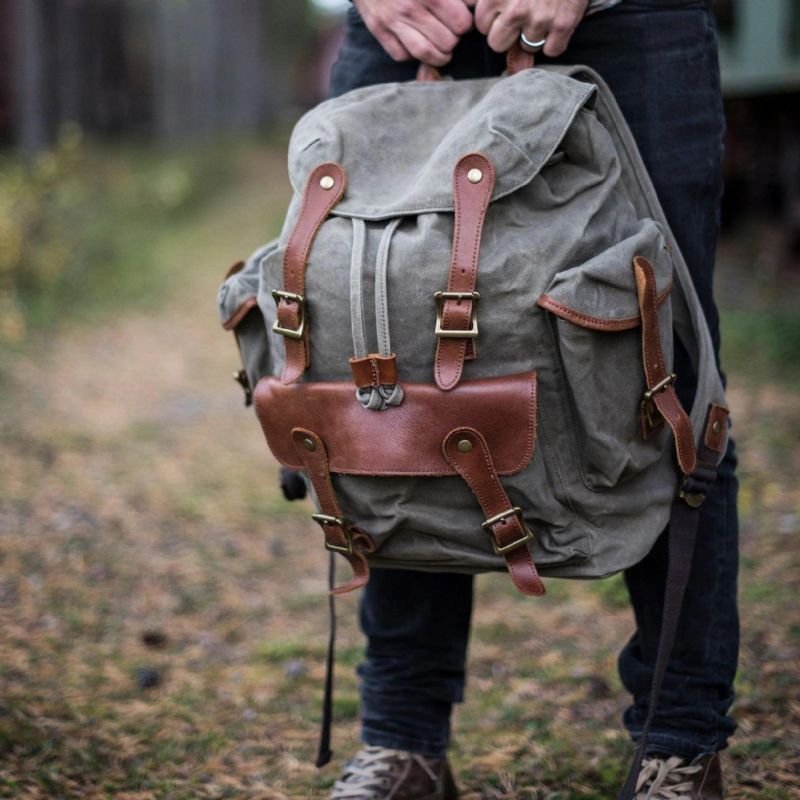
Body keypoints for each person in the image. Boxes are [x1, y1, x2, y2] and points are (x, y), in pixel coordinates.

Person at [324, 1, 739, 797]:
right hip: (405, 23)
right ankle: (402, 744)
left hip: (624, 21)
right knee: (391, 382)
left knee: (665, 373)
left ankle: (679, 743)